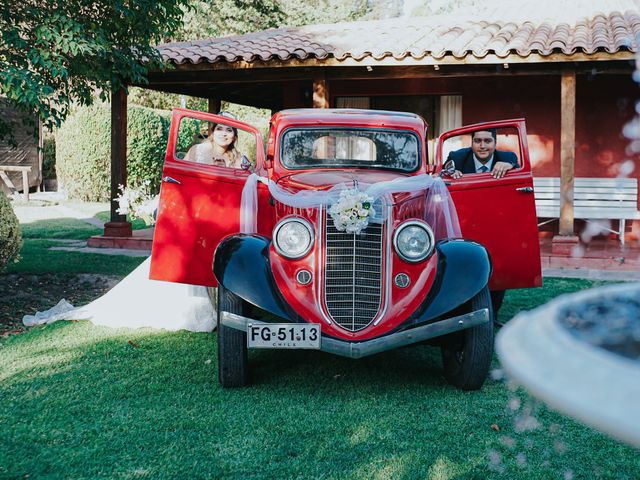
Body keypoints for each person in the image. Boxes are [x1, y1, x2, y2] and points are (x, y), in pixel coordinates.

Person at [447, 128, 518, 179]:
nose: (482, 146)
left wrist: (510, 167)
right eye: (477, 141)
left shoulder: (508, 158)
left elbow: (522, 177)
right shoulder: (456, 158)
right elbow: (440, 177)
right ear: (471, 143)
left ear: (495, 143)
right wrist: (450, 174)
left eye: (488, 141)